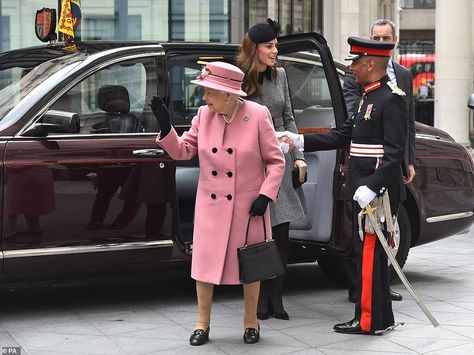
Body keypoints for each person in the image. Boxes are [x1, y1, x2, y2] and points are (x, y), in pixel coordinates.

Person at [152, 61, 285, 345]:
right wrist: (166, 129)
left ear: (227, 94)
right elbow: (183, 151)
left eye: (208, 92)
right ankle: (202, 324)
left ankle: (251, 323)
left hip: (248, 207)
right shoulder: (204, 115)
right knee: (204, 265)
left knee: (251, 265)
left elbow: (276, 162)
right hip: (211, 206)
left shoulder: (258, 115)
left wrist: (265, 195)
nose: (204, 98)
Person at [285, 37, 407, 335]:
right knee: (370, 255)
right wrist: (300, 140)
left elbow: (393, 156)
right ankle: (382, 319)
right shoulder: (368, 97)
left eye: (355, 62)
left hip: (376, 195)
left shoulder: (391, 99)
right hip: (363, 189)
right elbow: (343, 136)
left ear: (369, 64)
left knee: (368, 256)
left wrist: (373, 188)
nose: (351, 68)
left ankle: (367, 320)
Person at [237, 18, 307, 321]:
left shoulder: (280, 75)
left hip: (282, 159)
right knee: (257, 233)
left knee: (281, 233)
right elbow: (237, 123)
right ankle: (259, 298)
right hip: (254, 161)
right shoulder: (240, 79)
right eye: (270, 46)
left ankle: (277, 298)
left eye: (276, 45)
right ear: (255, 49)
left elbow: (289, 117)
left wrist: (300, 154)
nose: (275, 50)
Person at [342, 18, 416, 303]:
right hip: (368, 168)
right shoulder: (360, 81)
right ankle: (363, 291)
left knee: (385, 231)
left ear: (394, 41)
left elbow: (406, 125)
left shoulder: (402, 80)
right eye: (376, 37)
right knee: (363, 237)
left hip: (385, 170)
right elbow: (354, 123)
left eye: (385, 39)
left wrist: (407, 160)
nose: (380, 43)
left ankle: (377, 292)